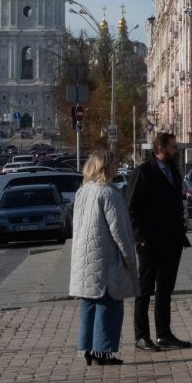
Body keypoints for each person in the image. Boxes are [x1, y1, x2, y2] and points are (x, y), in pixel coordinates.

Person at [69, 150, 139, 366]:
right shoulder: (109, 193)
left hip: (84, 259)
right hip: (106, 259)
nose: (117, 167)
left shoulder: (82, 192)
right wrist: (129, 258)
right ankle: (103, 351)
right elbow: (119, 230)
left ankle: (87, 348)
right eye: (114, 163)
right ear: (105, 167)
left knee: (89, 305)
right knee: (109, 305)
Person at [126, 132, 192, 352]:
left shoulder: (173, 171)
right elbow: (131, 208)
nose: (176, 151)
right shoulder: (143, 172)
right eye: (173, 147)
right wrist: (141, 239)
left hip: (172, 239)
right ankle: (141, 336)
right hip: (149, 242)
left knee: (165, 289)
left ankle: (164, 334)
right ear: (161, 149)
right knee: (144, 290)